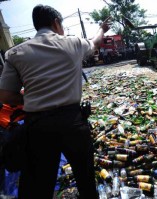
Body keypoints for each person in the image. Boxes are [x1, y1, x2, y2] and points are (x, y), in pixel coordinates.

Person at [0, 4, 111, 199]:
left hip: (38, 129)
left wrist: (31, 97)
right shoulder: (74, 43)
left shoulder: (15, 54)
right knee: (86, 181)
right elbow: (95, 42)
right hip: (74, 124)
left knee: (40, 186)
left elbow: (5, 96)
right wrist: (102, 28)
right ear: (56, 23)